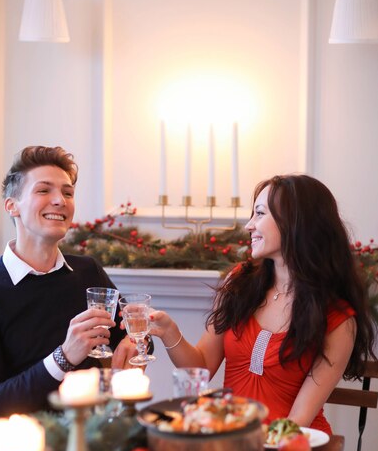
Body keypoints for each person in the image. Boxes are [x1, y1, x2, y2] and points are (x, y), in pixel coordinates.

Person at [149, 174, 376, 436]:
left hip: (290, 447)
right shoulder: (240, 282)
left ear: (295, 222)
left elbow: (297, 421)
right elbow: (201, 369)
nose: (249, 226)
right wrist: (169, 331)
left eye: (260, 214)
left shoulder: (338, 320)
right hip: (232, 438)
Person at [0, 145, 136, 421]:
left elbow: (132, 333)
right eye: (44, 190)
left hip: (98, 434)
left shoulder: (88, 271)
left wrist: (135, 341)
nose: (60, 201)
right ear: (12, 206)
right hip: (22, 450)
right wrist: (64, 357)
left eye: (67, 193)